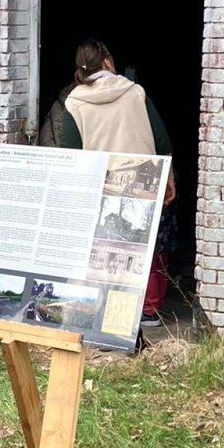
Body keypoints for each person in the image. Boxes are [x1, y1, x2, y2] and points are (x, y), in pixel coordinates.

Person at [60, 38, 175, 327]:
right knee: (139, 249)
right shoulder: (135, 92)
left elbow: (70, 154)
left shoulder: (74, 102)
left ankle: (102, 317)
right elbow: (161, 140)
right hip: (142, 184)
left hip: (100, 187)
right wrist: (169, 177)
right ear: (108, 61)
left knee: (103, 253)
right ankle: (141, 314)